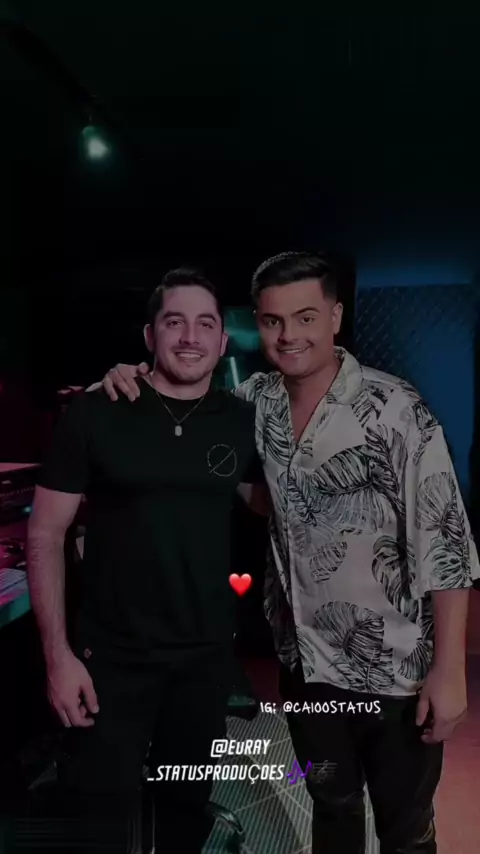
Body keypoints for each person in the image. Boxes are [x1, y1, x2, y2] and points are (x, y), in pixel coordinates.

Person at [95, 251, 479, 854]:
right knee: (332, 807)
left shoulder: (397, 409)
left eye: (305, 317)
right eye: (273, 321)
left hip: (394, 670)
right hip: (305, 665)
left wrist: (450, 671)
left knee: (405, 831)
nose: (288, 335)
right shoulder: (254, 403)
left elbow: (447, 541)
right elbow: (197, 417)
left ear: (335, 317)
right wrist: (129, 376)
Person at [27, 268, 265, 853]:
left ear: (222, 341)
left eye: (205, 324)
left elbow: (274, 505)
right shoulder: (97, 411)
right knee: (96, 822)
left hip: (203, 663)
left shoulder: (243, 421)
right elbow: (45, 535)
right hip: (109, 661)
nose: (190, 336)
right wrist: (57, 658)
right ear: (149, 336)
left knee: (183, 814)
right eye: (174, 322)